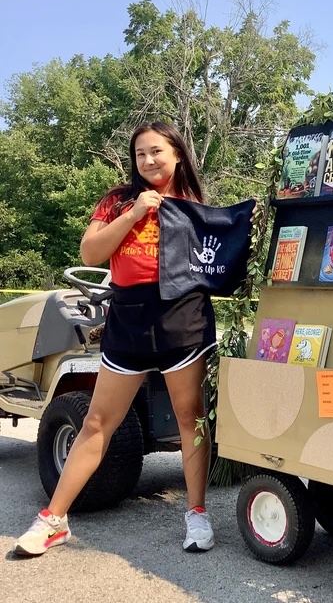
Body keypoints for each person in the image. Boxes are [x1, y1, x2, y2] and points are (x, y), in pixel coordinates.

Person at [13, 121, 222, 556]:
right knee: (96, 422)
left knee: (191, 418)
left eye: (157, 151)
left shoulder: (195, 203)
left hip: (183, 315)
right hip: (127, 314)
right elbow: (90, 253)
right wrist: (134, 212)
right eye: (141, 153)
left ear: (178, 154)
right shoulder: (116, 200)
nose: (148, 160)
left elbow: (216, 263)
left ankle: (197, 514)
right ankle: (53, 520)